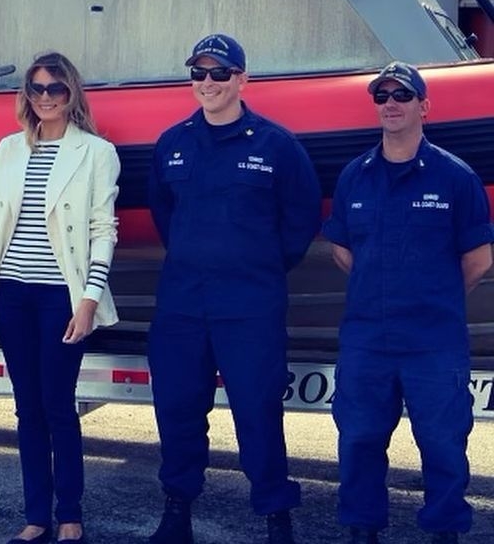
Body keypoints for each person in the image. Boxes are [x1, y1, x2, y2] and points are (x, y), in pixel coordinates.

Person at [147, 33, 322, 544]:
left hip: (249, 308)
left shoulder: (277, 146)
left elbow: (300, 222)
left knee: (257, 411)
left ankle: (275, 516)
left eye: (218, 73)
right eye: (198, 73)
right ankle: (177, 511)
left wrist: (256, 269)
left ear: (242, 79)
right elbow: (165, 216)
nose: (207, 83)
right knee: (177, 411)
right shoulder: (172, 143)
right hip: (182, 304)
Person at [322, 61, 494, 544]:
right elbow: (342, 250)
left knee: (442, 445)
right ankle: (362, 530)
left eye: (402, 95)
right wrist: (384, 289)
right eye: (382, 96)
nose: (391, 104)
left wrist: (429, 294)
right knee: (358, 440)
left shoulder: (455, 178)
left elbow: (478, 260)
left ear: (424, 106)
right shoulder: (356, 176)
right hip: (366, 340)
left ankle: (444, 532)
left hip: (432, 343)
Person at [0, 52, 120, 544]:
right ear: (26, 96)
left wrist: (89, 299)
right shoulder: (9, 150)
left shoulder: (96, 153)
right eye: (36, 89)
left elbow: (103, 230)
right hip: (12, 292)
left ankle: (70, 513)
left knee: (58, 404)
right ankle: (37, 515)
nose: (46, 98)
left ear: (71, 92)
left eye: (55, 88)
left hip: (62, 295)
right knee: (26, 408)